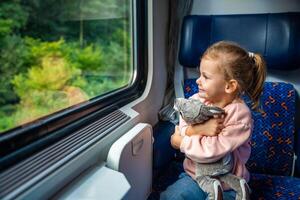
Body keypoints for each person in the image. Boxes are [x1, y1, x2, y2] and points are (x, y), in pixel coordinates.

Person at [160, 41, 266, 200]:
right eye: (199, 74)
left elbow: (213, 152)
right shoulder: (197, 99)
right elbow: (182, 125)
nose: (198, 81)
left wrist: (182, 143)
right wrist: (197, 130)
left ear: (229, 86)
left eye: (206, 77)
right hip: (195, 176)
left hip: (227, 183)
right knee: (171, 197)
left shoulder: (239, 114)